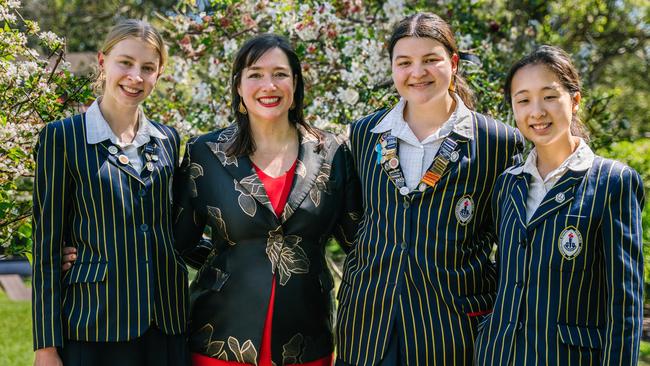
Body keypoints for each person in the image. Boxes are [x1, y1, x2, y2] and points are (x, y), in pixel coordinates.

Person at [335, 12, 524, 365]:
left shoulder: (497, 142)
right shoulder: (365, 133)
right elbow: (356, 220)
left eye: (430, 60)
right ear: (392, 68)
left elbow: (511, 243)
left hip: (452, 329)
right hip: (367, 324)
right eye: (404, 62)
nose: (416, 72)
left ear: (452, 63)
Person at [172, 34, 361, 366]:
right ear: (239, 87)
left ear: (295, 83)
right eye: (255, 74)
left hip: (306, 340)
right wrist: (231, 263)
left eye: (280, 74)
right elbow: (178, 240)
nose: (268, 85)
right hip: (220, 338)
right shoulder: (205, 153)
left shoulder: (333, 152)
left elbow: (357, 243)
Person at [473, 45, 644, 365]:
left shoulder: (612, 182)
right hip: (498, 355)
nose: (536, 111)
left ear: (575, 100)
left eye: (549, 96)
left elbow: (624, 304)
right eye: (523, 100)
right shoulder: (507, 183)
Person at [32, 19, 188, 366]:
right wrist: (46, 346)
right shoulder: (62, 137)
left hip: (165, 322)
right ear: (103, 62)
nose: (136, 76)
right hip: (95, 324)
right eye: (126, 63)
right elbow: (46, 248)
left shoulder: (168, 140)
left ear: (158, 74)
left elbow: (173, 227)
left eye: (148, 68)